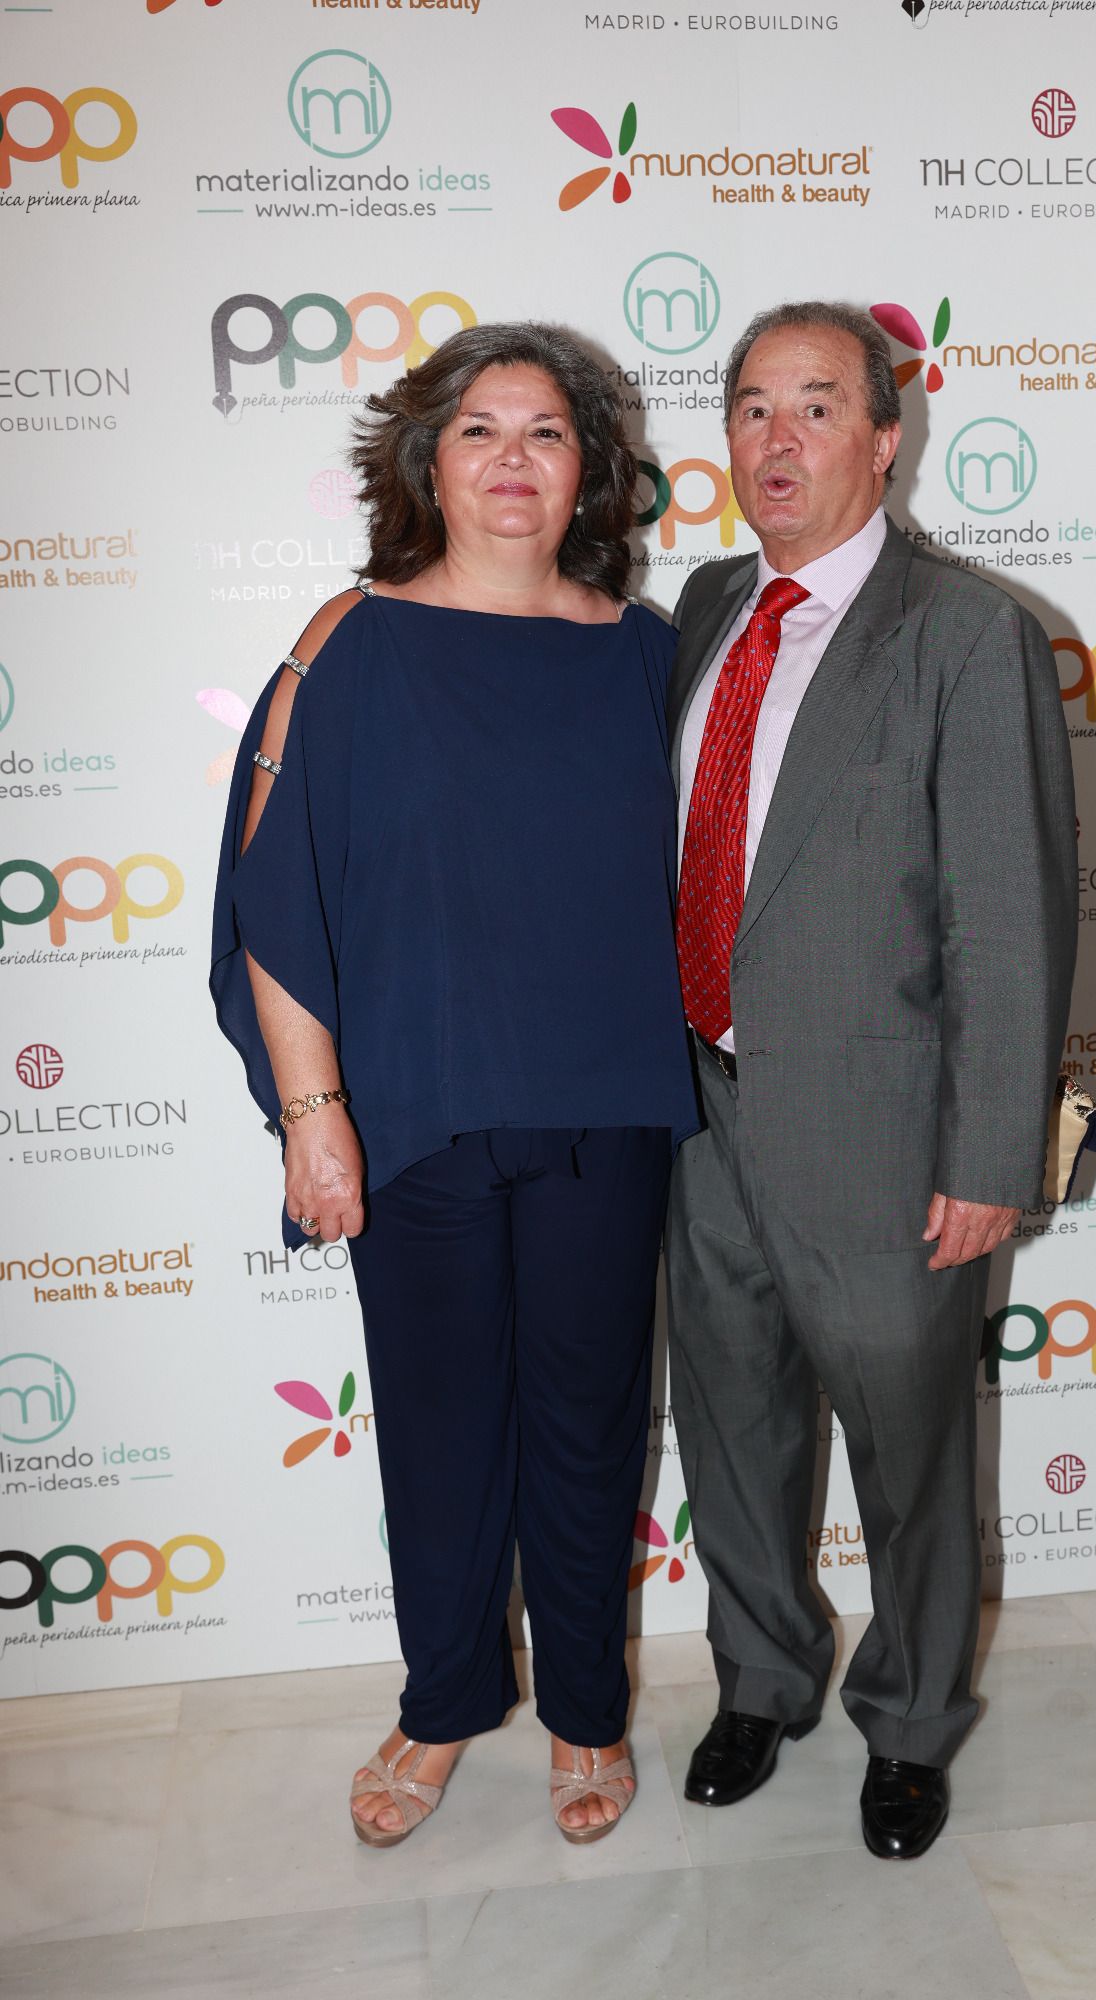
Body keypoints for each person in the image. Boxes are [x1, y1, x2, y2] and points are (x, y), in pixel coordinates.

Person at [210, 322, 698, 1848]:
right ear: (427, 461)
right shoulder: (350, 642)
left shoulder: (647, 654)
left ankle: (586, 1713)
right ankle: (439, 1706)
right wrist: (312, 1117)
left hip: (606, 1108)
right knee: (437, 1431)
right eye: (479, 428)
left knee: (587, 1426)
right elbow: (274, 897)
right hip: (412, 1106)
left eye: (545, 431)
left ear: (589, 471)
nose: (510, 459)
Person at [665, 301, 1078, 1859]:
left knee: (908, 1459)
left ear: (885, 440)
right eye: (751, 407)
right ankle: (760, 1679)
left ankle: (906, 1724)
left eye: (817, 405)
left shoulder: (965, 632)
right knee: (732, 1431)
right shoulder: (706, 604)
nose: (777, 439)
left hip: (887, 1139)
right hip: (697, 1110)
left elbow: (1006, 919)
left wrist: (986, 1156)